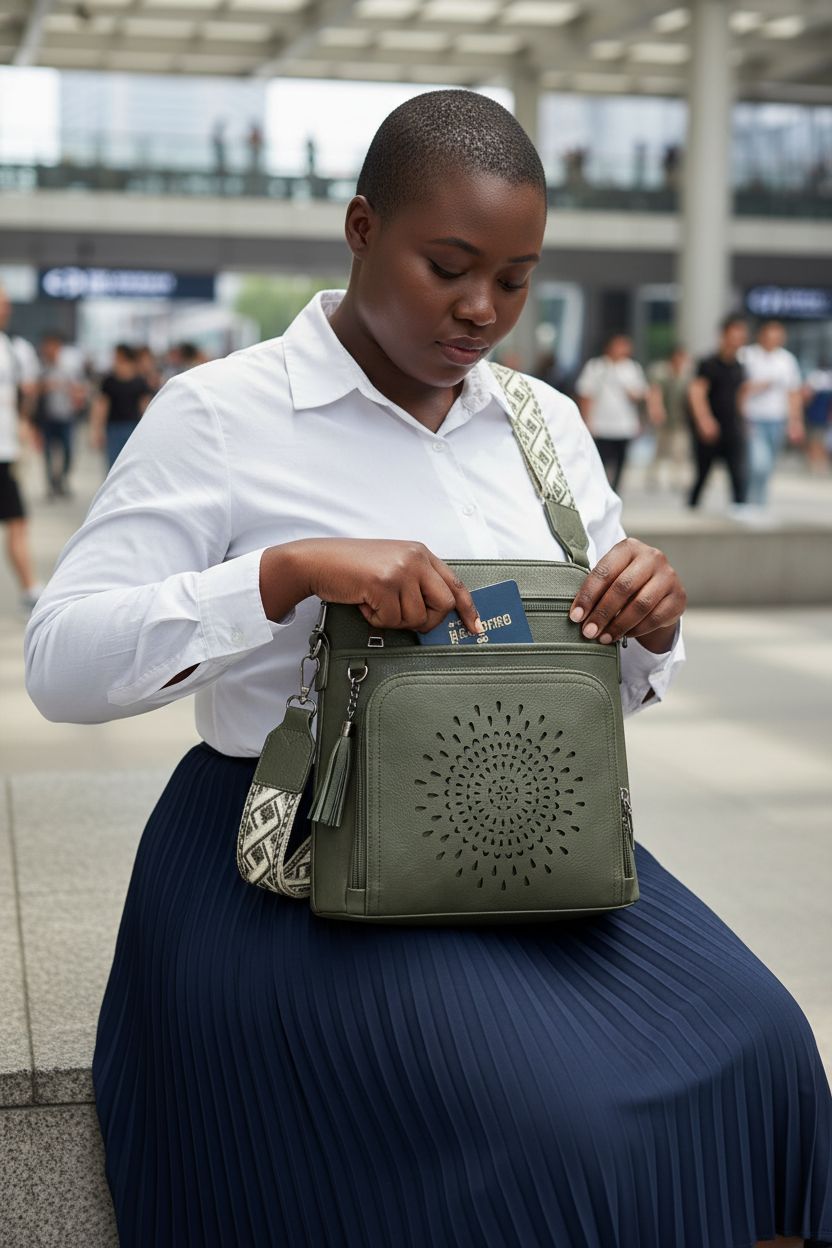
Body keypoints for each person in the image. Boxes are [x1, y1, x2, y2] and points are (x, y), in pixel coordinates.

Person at [23, 91, 832, 1248]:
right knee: (560, 1127)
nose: (481, 309)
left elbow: (602, 684)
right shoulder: (223, 414)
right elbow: (60, 661)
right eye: (448, 267)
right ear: (362, 228)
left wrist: (646, 624)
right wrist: (285, 573)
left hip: (532, 834)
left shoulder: (543, 425)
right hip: (292, 855)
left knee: (769, 1050)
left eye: (515, 279)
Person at [0, 285, 42, 613]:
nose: (5, 308)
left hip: (6, 452)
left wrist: (26, 425)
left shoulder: (15, 349)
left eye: (6, 303)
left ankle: (30, 589)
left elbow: (27, 394)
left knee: (17, 521)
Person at [686, 313, 750, 509]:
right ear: (724, 335)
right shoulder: (708, 364)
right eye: (734, 335)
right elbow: (696, 393)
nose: (737, 340)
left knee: (738, 474)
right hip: (710, 428)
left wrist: (744, 421)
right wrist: (704, 420)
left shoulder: (740, 366)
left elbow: (740, 396)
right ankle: (692, 508)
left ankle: (739, 510)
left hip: (732, 427)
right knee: (703, 474)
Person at [740, 319, 804, 507]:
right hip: (753, 417)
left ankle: (760, 503)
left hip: (777, 418)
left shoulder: (786, 360)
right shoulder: (747, 355)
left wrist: (795, 421)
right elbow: (737, 388)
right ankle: (749, 502)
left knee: (768, 464)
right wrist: (757, 387)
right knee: (758, 463)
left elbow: (794, 392)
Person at [575, 332, 648, 493]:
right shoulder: (596, 366)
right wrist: (586, 420)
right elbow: (586, 394)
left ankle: (615, 490)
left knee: (621, 460)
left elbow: (641, 394)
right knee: (600, 460)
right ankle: (600, 489)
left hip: (625, 423)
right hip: (601, 423)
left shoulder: (632, 368)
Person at [36, 331, 88, 499]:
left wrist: (72, 393)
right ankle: (51, 484)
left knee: (68, 451)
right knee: (48, 453)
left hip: (66, 416)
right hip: (47, 417)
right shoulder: (41, 368)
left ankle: (62, 479)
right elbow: (34, 390)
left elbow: (80, 389)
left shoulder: (69, 368)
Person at [89, 343, 153, 471]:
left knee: (132, 466)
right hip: (113, 428)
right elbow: (102, 406)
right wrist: (97, 429)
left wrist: (148, 430)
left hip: (133, 428)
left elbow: (145, 407)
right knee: (112, 466)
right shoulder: (109, 381)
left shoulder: (139, 382)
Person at [646, 343, 692, 490]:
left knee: (680, 451)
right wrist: (656, 410)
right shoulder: (661, 373)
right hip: (665, 419)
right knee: (661, 450)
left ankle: (679, 479)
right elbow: (655, 392)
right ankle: (656, 478)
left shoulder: (687, 374)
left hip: (681, 420)